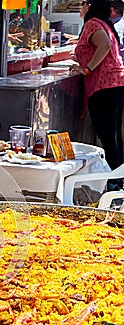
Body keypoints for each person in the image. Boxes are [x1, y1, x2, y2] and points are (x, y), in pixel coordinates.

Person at [70, 0, 124, 190]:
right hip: (115, 84)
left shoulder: (93, 23)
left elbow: (105, 45)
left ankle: (115, 181)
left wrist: (87, 69)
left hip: (105, 86)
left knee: (108, 135)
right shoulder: (103, 24)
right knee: (114, 135)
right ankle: (117, 177)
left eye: (84, 3)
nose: (80, 6)